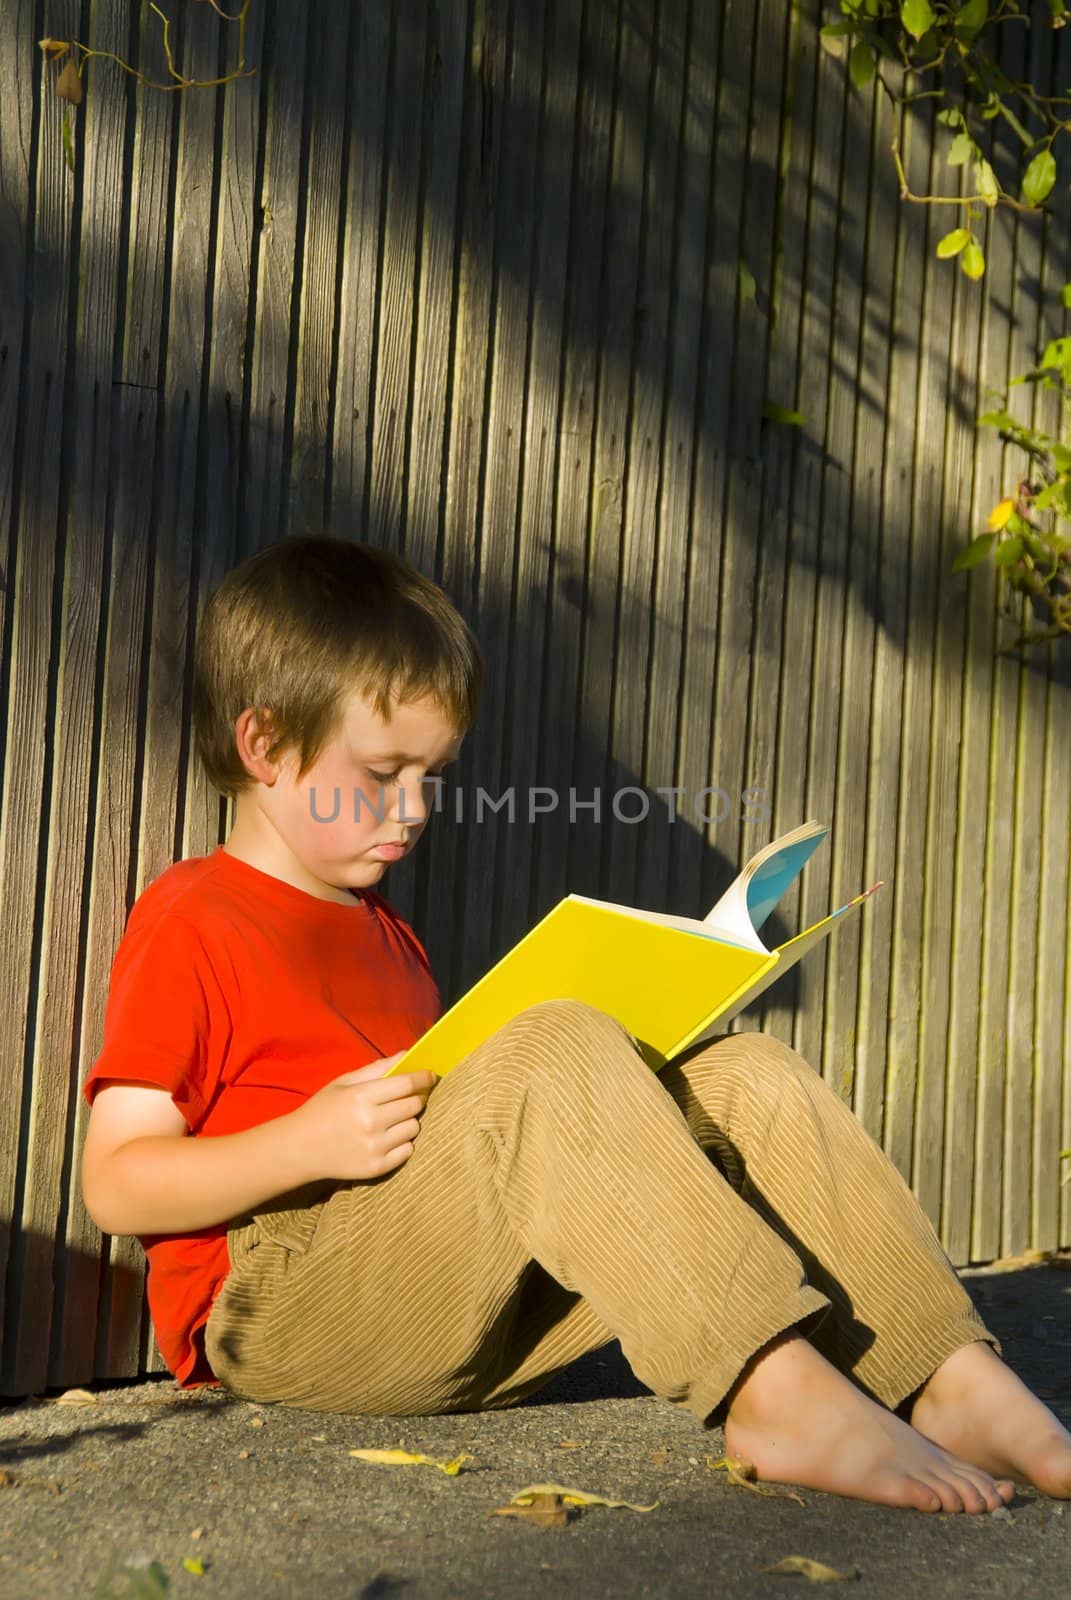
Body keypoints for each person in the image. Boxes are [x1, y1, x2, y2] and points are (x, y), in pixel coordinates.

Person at [81, 535, 1071, 1516]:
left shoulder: (392, 940)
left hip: (444, 1297)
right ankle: (774, 1392)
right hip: (278, 1305)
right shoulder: (194, 918)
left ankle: (949, 1376)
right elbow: (117, 1182)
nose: (416, 807)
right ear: (263, 744)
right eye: (384, 772)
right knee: (547, 1045)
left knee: (746, 1073)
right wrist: (305, 1140)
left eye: (433, 775)